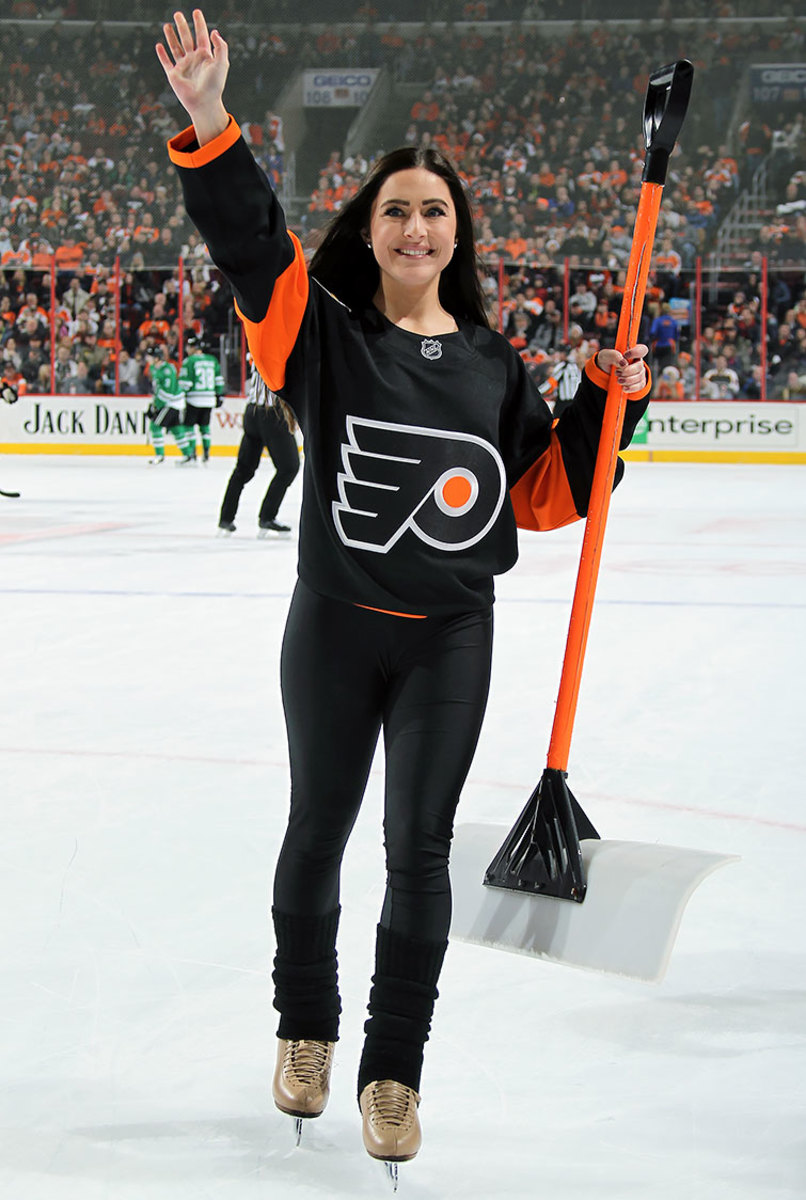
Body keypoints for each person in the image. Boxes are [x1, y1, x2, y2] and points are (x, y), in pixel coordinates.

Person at [156, 10, 651, 1172]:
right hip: (331, 630)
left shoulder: (491, 363)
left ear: (456, 231)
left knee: (416, 851)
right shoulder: (316, 339)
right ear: (368, 232)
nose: (416, 224)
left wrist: (598, 401)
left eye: (434, 209)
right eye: (395, 209)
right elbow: (248, 245)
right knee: (316, 833)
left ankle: (391, 1073)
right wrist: (212, 120)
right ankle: (305, 1033)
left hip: (447, 643)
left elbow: (541, 495)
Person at [218, 355, 299, 535]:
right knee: (289, 467)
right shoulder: (284, 347)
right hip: (272, 414)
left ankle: (226, 518)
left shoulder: (261, 345)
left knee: (242, 469)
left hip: (252, 411)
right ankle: (267, 517)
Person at [178, 332, 225, 461]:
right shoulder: (212, 360)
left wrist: (180, 393)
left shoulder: (189, 361)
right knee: (205, 427)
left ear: (193, 348)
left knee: (189, 426)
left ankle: (192, 453)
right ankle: (206, 452)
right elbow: (219, 380)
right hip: (209, 399)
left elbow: (186, 383)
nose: (187, 349)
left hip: (194, 399)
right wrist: (219, 395)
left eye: (188, 347)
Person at [146, 345, 196, 465]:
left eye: (150, 356)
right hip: (173, 402)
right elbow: (158, 388)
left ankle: (159, 455)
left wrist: (157, 406)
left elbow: (168, 393)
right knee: (176, 429)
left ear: (157, 358)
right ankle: (188, 454)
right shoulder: (154, 368)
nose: (147, 358)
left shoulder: (167, 370)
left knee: (155, 427)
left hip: (172, 403)